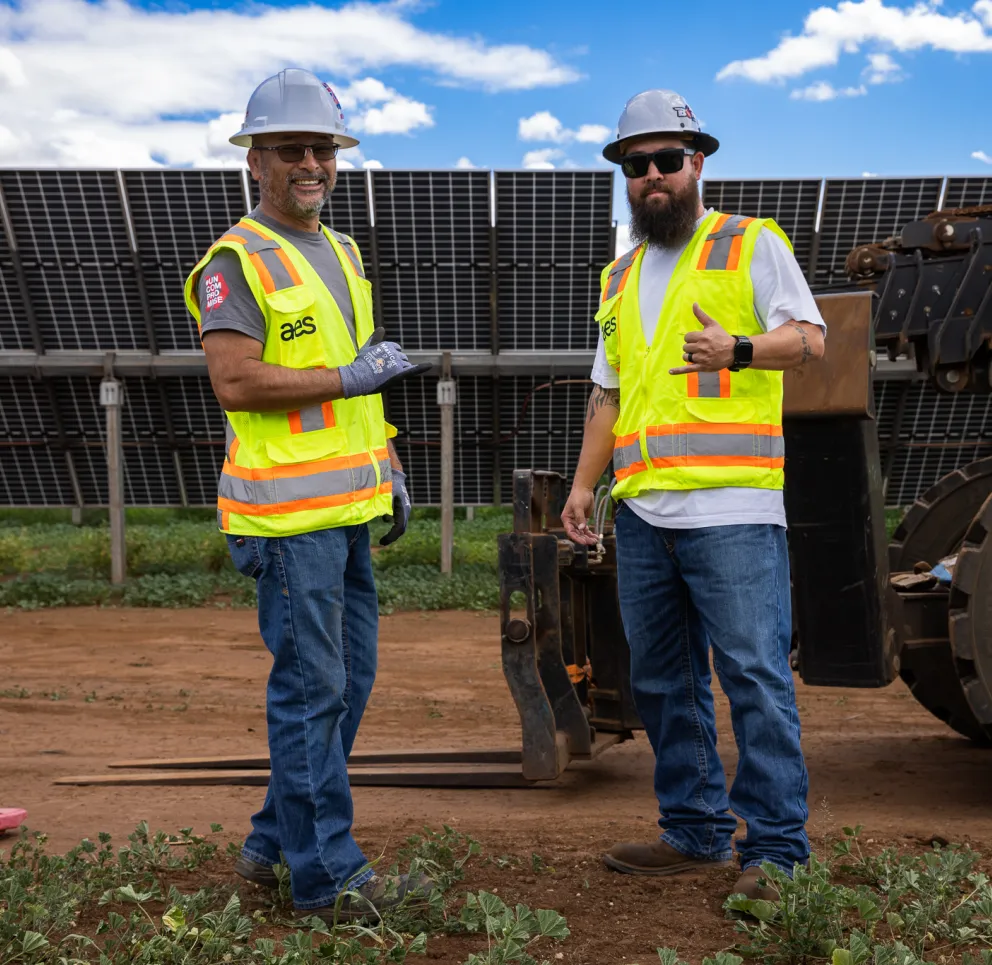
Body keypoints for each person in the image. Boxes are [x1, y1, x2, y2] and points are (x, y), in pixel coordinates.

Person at [561, 89, 826, 902]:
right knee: (662, 681)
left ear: (697, 162)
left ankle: (776, 851)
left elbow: (810, 340)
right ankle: (696, 832)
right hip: (645, 515)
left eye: (666, 161)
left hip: (734, 510)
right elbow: (608, 393)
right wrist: (582, 485)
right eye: (635, 165)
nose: (652, 177)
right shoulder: (620, 274)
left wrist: (739, 348)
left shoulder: (751, 244)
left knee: (752, 676)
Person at [183, 68, 432, 923]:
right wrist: (347, 375)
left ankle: (270, 844)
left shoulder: (344, 251)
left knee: (345, 682)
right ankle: (328, 878)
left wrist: (392, 462)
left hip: (351, 508)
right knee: (312, 687)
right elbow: (237, 381)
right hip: (289, 521)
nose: (311, 162)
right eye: (292, 148)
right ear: (255, 159)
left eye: (323, 147)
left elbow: (360, 386)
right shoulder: (234, 261)